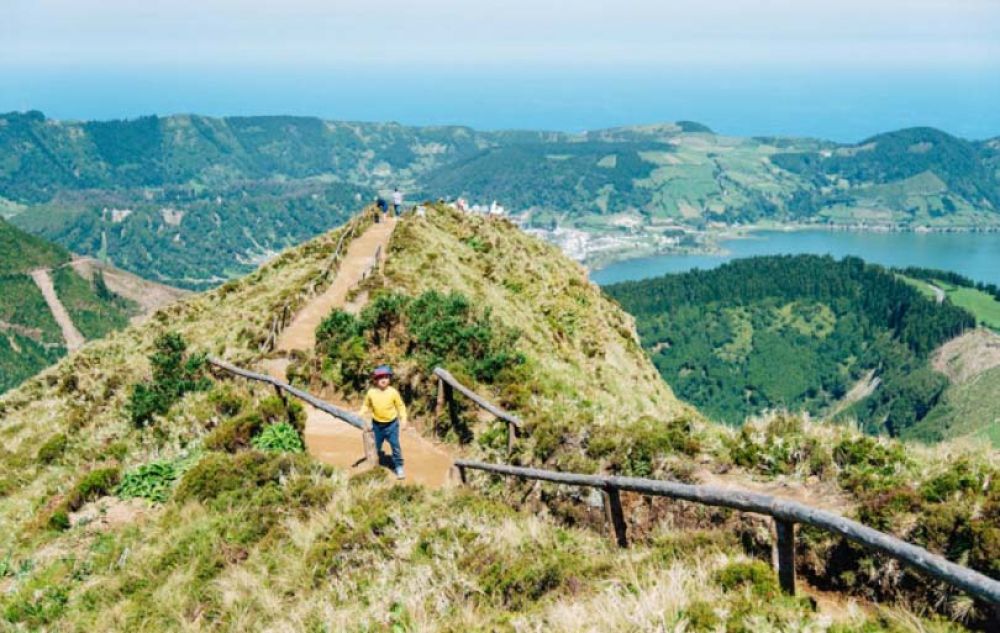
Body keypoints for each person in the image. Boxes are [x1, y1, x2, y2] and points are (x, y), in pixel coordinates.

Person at [359, 365, 408, 479]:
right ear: (375, 380)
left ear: (389, 379)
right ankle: (374, 465)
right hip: (377, 425)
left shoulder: (393, 392)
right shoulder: (371, 393)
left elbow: (400, 406)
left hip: (391, 425)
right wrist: (361, 413)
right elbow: (366, 405)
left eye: (386, 377)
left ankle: (399, 467)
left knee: (395, 446)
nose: (384, 380)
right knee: (375, 446)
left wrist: (404, 419)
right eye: (380, 377)